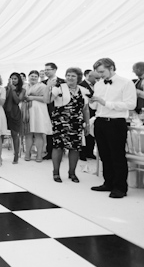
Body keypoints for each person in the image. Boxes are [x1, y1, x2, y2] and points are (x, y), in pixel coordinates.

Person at [90, 58, 137, 199]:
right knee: (104, 155)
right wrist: (92, 102)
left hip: (116, 123)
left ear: (111, 68)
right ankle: (108, 183)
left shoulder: (126, 83)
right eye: (98, 72)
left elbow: (130, 105)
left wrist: (107, 103)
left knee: (117, 156)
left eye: (102, 71)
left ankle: (120, 187)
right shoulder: (98, 85)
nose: (100, 75)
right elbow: (95, 106)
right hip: (100, 121)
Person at [49, 68, 91, 183]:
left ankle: (72, 172)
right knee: (58, 146)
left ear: (78, 78)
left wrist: (87, 124)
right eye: (68, 75)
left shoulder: (84, 90)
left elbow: (86, 109)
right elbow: (47, 100)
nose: (70, 78)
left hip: (76, 123)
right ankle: (56, 172)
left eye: (73, 76)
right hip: (60, 122)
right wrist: (49, 87)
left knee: (75, 148)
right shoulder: (59, 88)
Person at [23, 70, 53, 161]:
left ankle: (39, 154)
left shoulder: (43, 86)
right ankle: (27, 153)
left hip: (39, 111)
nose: (33, 78)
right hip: (27, 110)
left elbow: (46, 99)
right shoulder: (24, 86)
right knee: (28, 134)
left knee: (38, 134)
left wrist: (33, 97)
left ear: (38, 78)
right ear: (28, 76)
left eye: (36, 76)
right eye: (32, 76)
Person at [42, 63, 65, 160]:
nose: (46, 71)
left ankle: (60, 151)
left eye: (49, 69)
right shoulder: (43, 83)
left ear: (55, 70)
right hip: (46, 109)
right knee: (49, 132)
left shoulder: (63, 82)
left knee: (59, 132)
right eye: (45, 70)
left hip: (59, 110)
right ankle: (49, 151)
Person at [4, 73, 26, 164]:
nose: (13, 80)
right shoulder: (5, 88)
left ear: (19, 80)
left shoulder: (22, 90)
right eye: (12, 78)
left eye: (15, 78)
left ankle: (16, 155)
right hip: (4, 112)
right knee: (0, 133)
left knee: (14, 134)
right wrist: (8, 89)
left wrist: (13, 90)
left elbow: (17, 100)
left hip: (15, 113)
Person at [79, 69, 100, 160]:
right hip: (85, 110)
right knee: (84, 133)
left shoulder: (98, 85)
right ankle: (82, 153)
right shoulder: (81, 85)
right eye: (95, 78)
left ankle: (90, 152)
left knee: (92, 132)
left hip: (95, 111)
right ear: (88, 76)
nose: (97, 79)